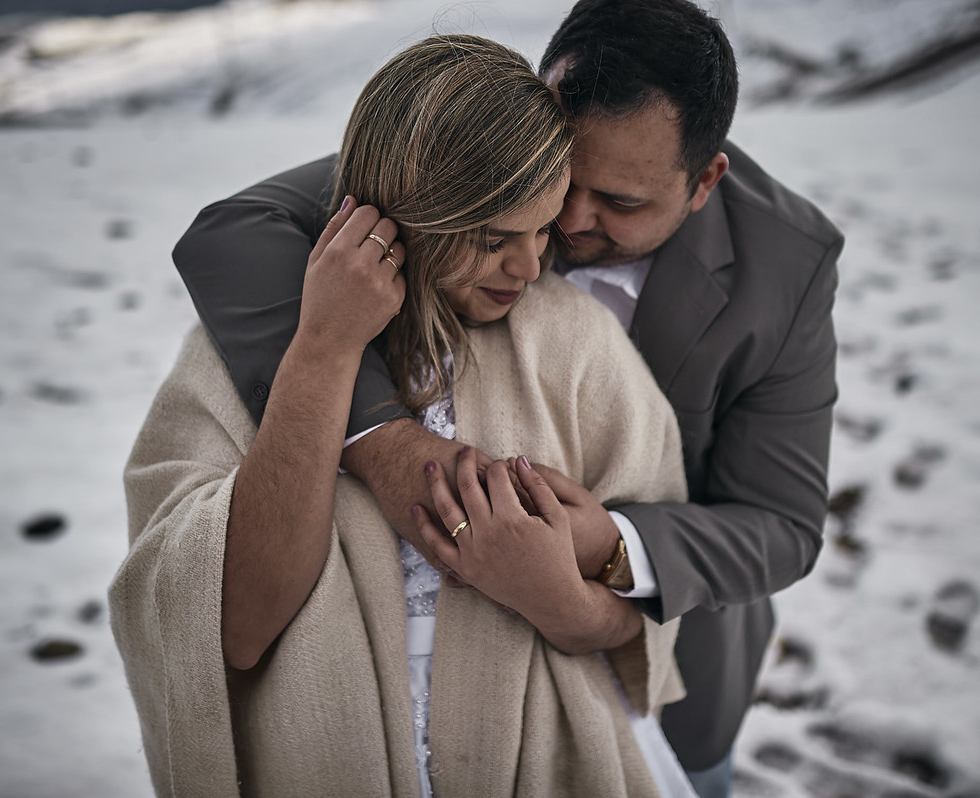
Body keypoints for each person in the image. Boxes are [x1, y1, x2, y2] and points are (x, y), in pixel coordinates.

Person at [169, 2, 844, 795]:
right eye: (564, 177)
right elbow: (237, 230)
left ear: (704, 181)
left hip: (667, 674)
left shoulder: (789, 264)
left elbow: (782, 525)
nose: (567, 221)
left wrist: (603, 545)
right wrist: (379, 438)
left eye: (620, 203)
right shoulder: (498, 164)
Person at [111, 35, 695, 797]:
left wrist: (557, 598)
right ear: (402, 218)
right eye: (493, 239)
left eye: (544, 228)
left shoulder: (576, 346)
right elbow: (234, 629)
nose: (530, 267)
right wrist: (323, 351)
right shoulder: (242, 353)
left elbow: (647, 602)